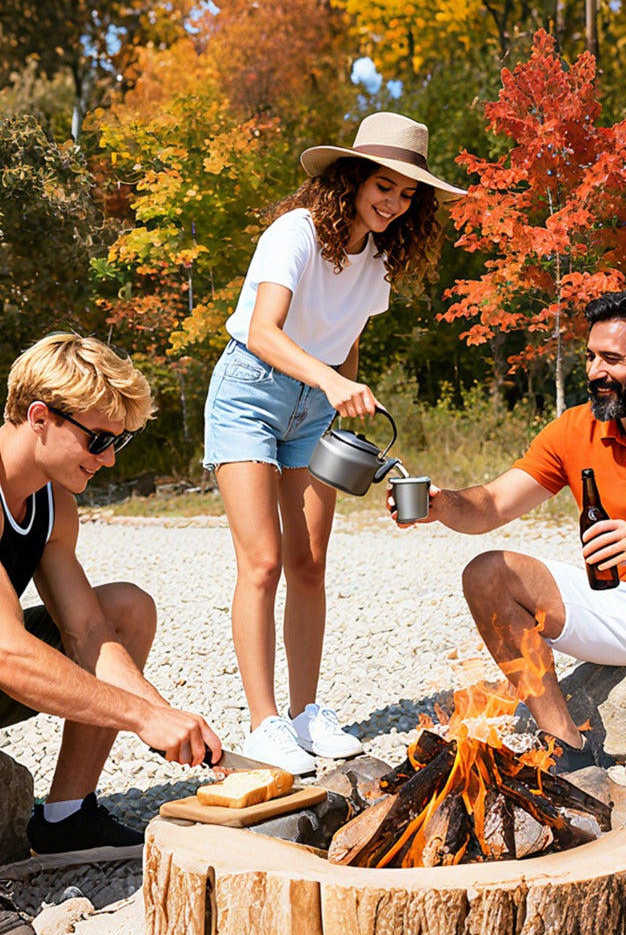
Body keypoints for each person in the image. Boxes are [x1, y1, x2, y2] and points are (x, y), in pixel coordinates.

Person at [388, 291, 626, 821]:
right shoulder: (575, 427)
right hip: (604, 601)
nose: (595, 371)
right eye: (591, 357)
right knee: (487, 572)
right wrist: (443, 505)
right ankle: (567, 745)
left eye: (612, 360)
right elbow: (495, 503)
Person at [204, 112, 464, 775]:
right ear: (349, 178)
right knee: (262, 562)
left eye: (408, 195)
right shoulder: (292, 234)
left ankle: (305, 713)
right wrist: (326, 381)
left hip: (315, 410)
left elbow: (347, 342)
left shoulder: (376, 258)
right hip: (251, 393)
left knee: (310, 562)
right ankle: (263, 725)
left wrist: (347, 409)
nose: (395, 203)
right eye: (384, 186)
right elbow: (264, 330)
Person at [0, 334, 220, 869]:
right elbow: (6, 652)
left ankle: (67, 819)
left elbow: (89, 633)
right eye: (98, 439)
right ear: (39, 417)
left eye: (117, 444)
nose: (107, 461)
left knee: (126, 608)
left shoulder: (53, 503)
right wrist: (141, 718)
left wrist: (170, 721)